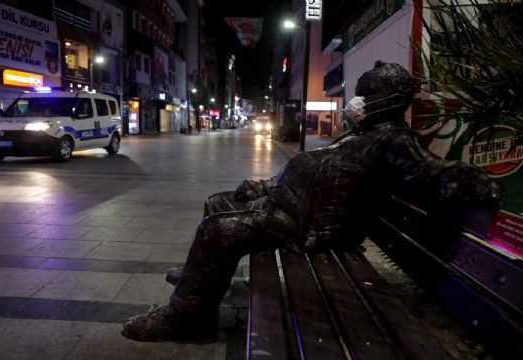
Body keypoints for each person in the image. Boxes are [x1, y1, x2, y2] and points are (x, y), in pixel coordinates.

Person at [121, 61, 504, 341]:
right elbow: (316, 169)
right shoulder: (365, 132)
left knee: (218, 228)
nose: (357, 100)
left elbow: (431, 173)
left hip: (307, 226)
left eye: (366, 93)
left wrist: (477, 182)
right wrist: (267, 185)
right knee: (219, 200)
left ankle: (187, 317)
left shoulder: (393, 140)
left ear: (388, 98)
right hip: (288, 206)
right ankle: (198, 277)